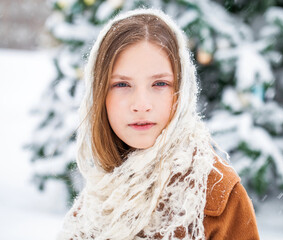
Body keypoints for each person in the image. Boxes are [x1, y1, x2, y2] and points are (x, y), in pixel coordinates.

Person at [57, 8, 260, 240]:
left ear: (182, 92)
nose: (141, 105)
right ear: (99, 93)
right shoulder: (98, 196)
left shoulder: (216, 197)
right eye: (122, 85)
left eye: (160, 83)